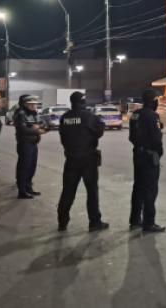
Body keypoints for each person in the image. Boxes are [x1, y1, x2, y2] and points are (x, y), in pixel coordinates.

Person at [57, 91, 108, 232]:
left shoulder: (65, 117)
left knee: (68, 191)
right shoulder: (89, 116)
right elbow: (99, 132)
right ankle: (94, 222)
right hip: (88, 160)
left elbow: (63, 137)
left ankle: (62, 222)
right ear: (83, 102)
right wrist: (101, 123)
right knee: (92, 192)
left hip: (71, 159)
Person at [128, 89, 166, 233]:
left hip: (138, 154)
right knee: (150, 189)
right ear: (153, 101)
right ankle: (149, 223)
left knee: (138, 187)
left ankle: (135, 219)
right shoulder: (152, 116)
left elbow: (131, 137)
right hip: (149, 156)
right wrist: (158, 152)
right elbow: (157, 139)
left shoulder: (135, 114)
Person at [14, 95, 44, 199]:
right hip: (25, 144)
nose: (34, 106)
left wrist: (38, 126)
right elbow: (22, 129)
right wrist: (35, 130)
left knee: (32, 167)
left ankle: (28, 187)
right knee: (24, 167)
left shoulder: (34, 113)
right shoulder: (21, 114)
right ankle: (22, 191)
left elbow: (42, 123)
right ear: (26, 104)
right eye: (31, 104)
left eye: (35, 104)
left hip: (33, 143)